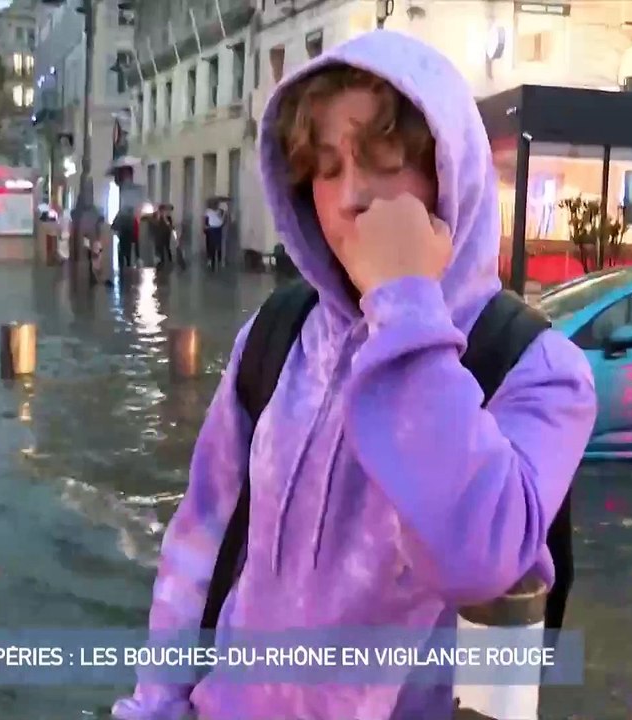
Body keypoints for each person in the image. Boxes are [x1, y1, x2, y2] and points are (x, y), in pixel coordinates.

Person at [112, 30, 597, 720]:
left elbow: (476, 559)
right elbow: (200, 545)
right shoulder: (278, 336)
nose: (351, 198)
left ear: (447, 173)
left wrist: (405, 309)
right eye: (327, 168)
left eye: (385, 161)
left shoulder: (538, 371)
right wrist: (156, 704)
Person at [203, 200, 226, 271]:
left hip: (218, 228)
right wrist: (205, 226)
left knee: (218, 245)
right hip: (211, 229)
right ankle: (211, 260)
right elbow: (205, 219)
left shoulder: (220, 211)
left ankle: (218, 259)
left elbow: (223, 218)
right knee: (211, 245)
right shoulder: (208, 211)